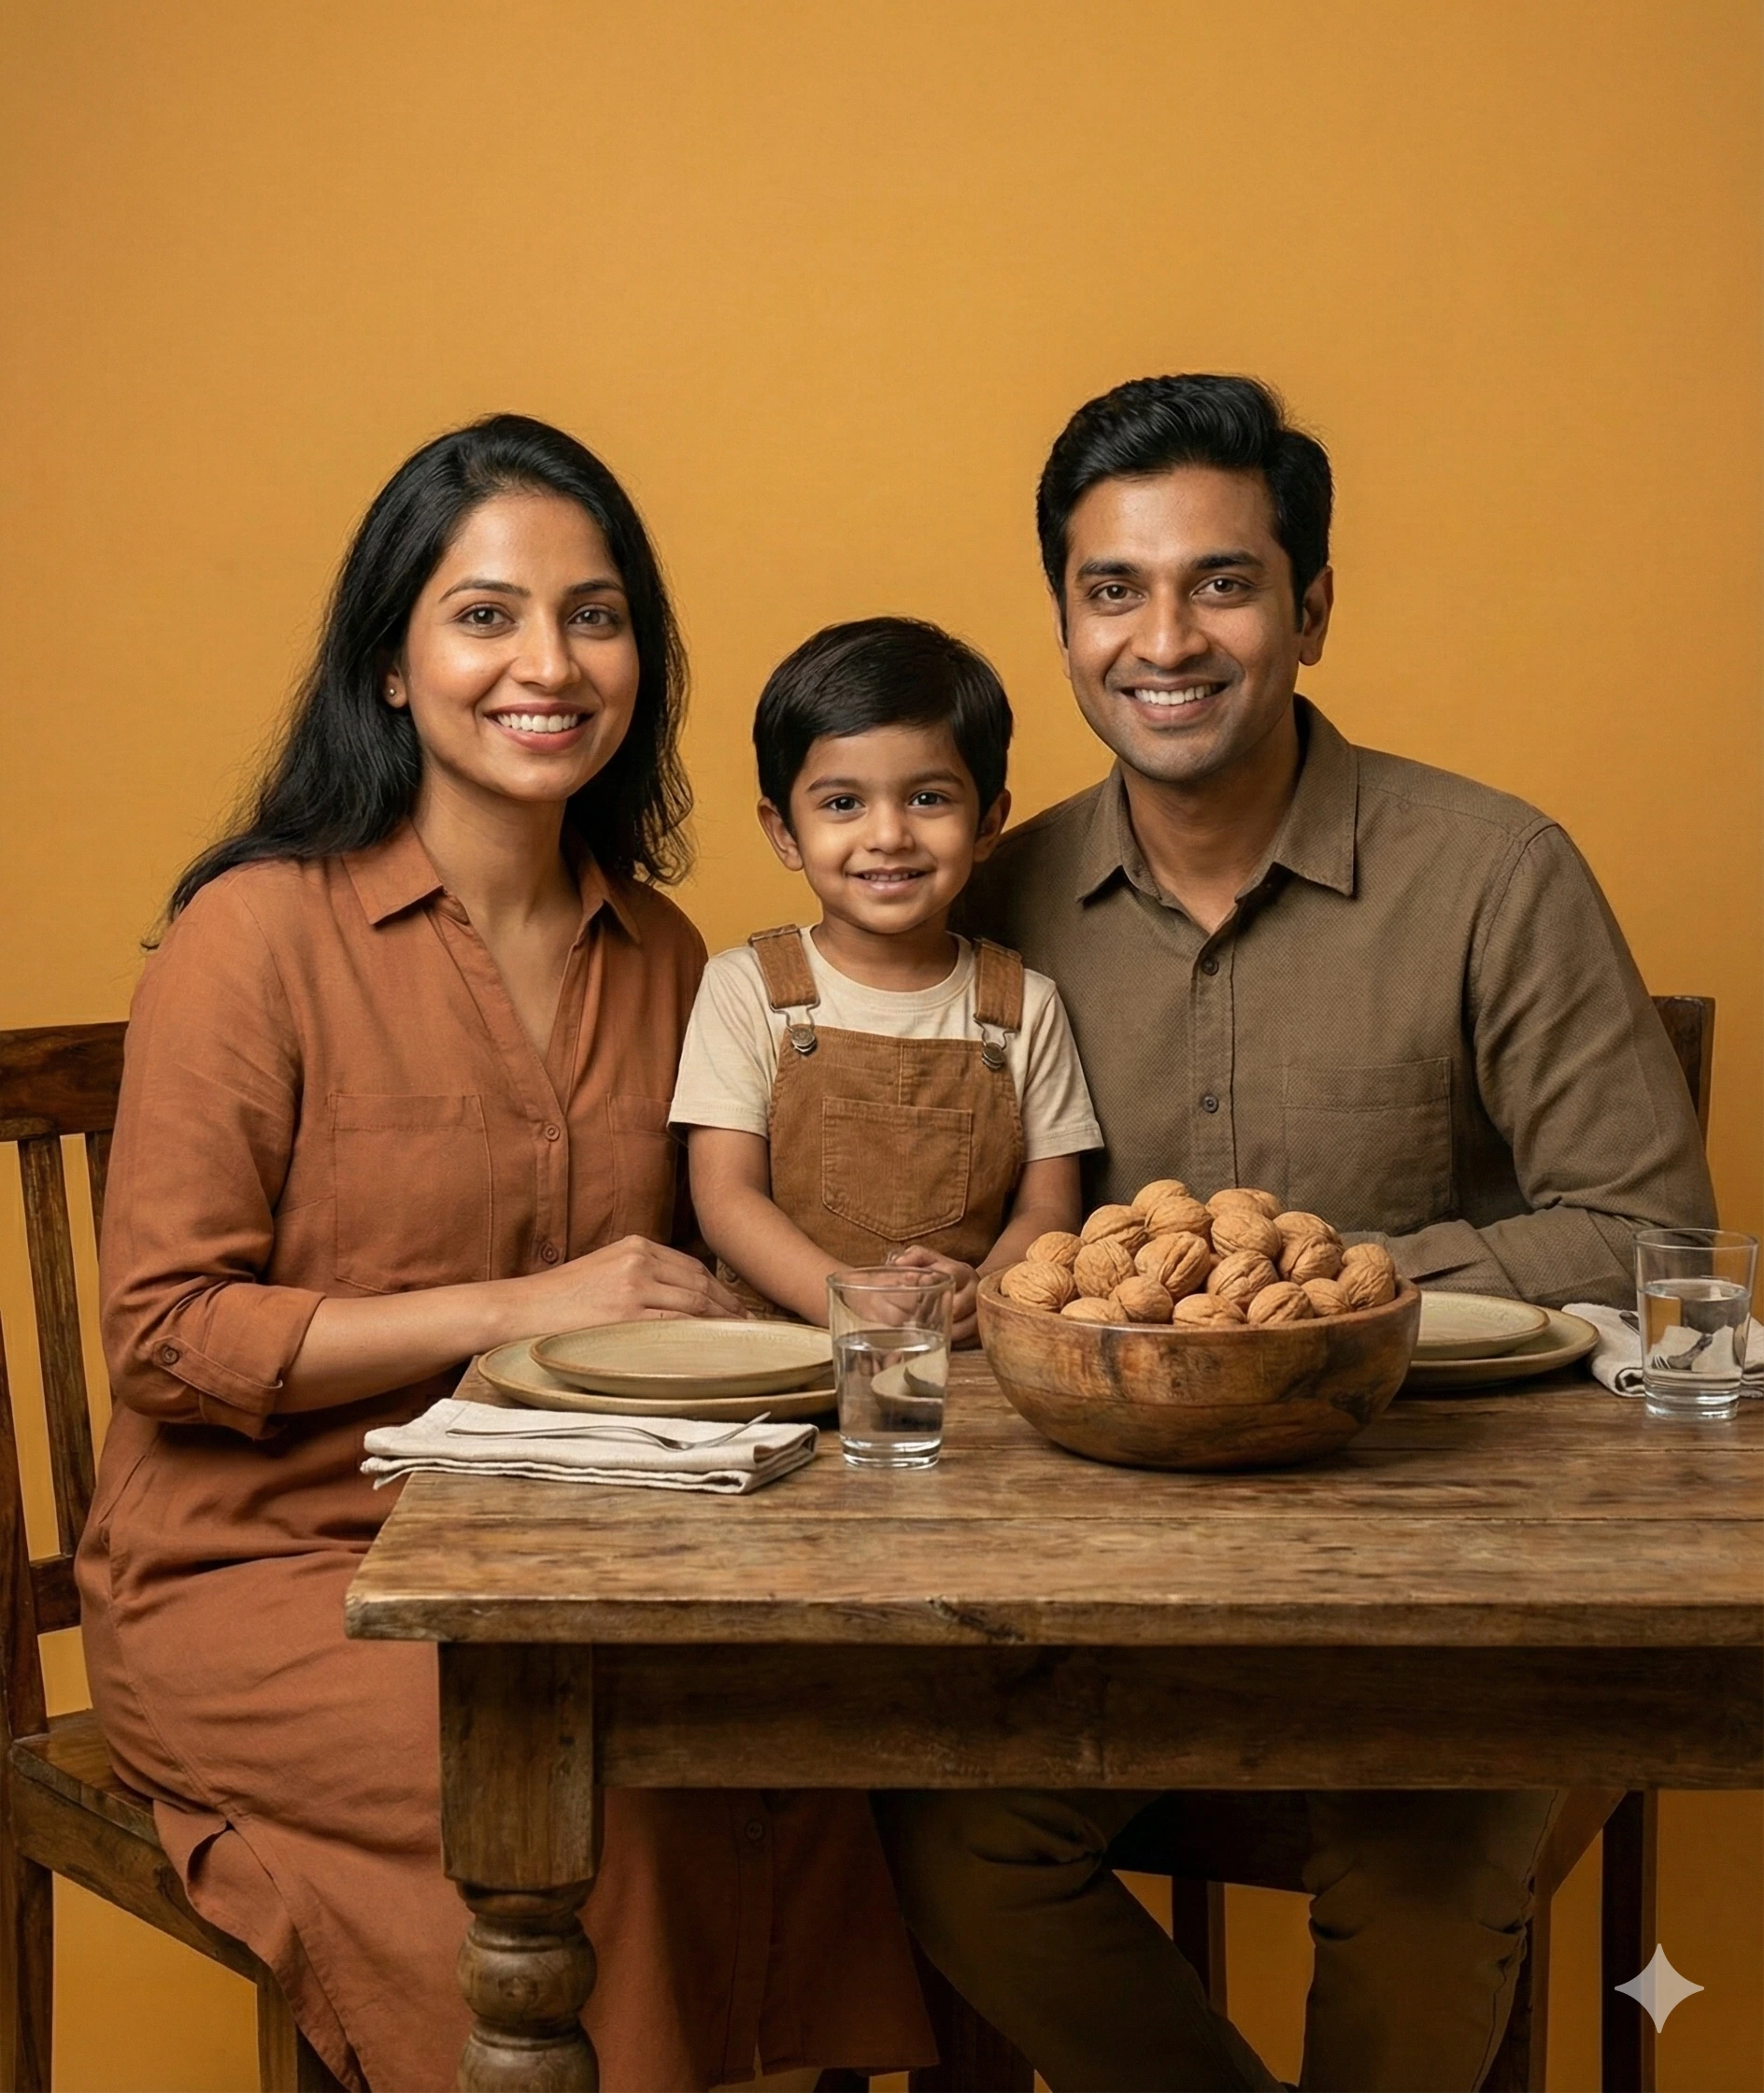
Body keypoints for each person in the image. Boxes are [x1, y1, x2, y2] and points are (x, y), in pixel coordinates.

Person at [877, 376, 1718, 2091]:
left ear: (1309, 609)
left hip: (1441, 1572)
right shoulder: (996, 908)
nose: (1162, 637)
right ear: (1060, 621)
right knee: (944, 1849)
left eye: (1224, 582)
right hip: (1095, 1584)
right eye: (1111, 589)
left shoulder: (1491, 873)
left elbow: (1651, 1236)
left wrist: (1346, 1291)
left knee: (1416, 1911)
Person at [78, 417, 934, 2093]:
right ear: (390, 665)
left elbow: (698, 1293)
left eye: (594, 615)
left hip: (572, 1567)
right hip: (271, 1582)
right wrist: (523, 1307)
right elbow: (164, 1335)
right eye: (484, 615)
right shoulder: (252, 935)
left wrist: (874, 1291)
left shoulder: (668, 950)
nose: (546, 662)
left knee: (826, 1746)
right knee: (592, 1794)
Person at [670, 617, 1102, 1342]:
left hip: (956, 1366)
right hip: (771, 1354)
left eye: (928, 798)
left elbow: (1049, 1210)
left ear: (989, 822)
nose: (888, 835)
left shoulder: (1025, 1005)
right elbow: (726, 1199)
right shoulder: (744, 988)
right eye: (843, 803)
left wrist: (984, 1294)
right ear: (784, 832)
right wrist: (848, 1305)